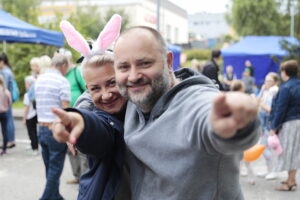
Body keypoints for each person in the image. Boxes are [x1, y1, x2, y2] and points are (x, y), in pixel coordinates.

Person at [112, 26, 260, 199]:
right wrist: (79, 115)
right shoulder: (131, 99)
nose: (133, 76)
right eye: (123, 67)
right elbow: (94, 92)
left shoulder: (196, 101)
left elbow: (208, 118)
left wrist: (237, 125)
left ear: (168, 61)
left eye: (145, 63)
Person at [51, 51, 131, 200]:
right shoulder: (99, 116)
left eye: (112, 83)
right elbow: (100, 132)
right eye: (96, 88)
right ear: (88, 89)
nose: (106, 95)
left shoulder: (141, 105)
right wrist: (81, 121)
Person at [35, 54, 71, 200]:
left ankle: (55, 196)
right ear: (63, 66)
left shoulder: (39, 79)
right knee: (55, 169)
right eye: (67, 68)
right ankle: (46, 197)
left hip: (41, 128)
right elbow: (66, 108)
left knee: (50, 168)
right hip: (55, 129)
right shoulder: (62, 81)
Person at [57, 48, 88, 185]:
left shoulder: (77, 72)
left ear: (65, 63)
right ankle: (77, 176)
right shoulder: (61, 76)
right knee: (70, 148)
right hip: (66, 116)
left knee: (82, 149)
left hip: (80, 115)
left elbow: (88, 90)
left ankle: (85, 178)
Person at [270, 60, 300, 191]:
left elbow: (280, 109)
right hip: (298, 121)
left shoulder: (286, 88)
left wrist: (274, 127)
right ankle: (290, 179)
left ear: (284, 72)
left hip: (290, 123)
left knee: (290, 152)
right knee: (295, 151)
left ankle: (290, 182)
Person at [256, 72, 279, 180]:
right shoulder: (267, 91)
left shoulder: (274, 91)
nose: (267, 83)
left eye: (269, 81)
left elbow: (271, 110)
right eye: (266, 80)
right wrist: (261, 90)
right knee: (265, 146)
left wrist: (261, 105)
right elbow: (257, 102)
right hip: (263, 123)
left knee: (267, 147)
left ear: (275, 82)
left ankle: (273, 171)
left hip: (269, 123)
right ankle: (269, 170)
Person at [0, 53, 16, 149]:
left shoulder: (5, 72)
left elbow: (3, 87)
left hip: (4, 100)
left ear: (2, 62)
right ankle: (10, 140)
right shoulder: (8, 71)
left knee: (8, 120)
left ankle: (10, 140)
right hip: (7, 99)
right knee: (9, 119)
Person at [23, 76, 38, 155]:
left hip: (29, 115)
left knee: (31, 132)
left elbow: (26, 107)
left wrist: (24, 118)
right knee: (35, 132)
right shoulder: (36, 92)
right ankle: (35, 145)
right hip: (36, 114)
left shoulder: (27, 94)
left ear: (28, 84)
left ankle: (34, 147)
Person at [0, 75, 12, 155]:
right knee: (4, 131)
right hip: (4, 112)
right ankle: (4, 149)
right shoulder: (6, 91)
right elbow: (10, 102)